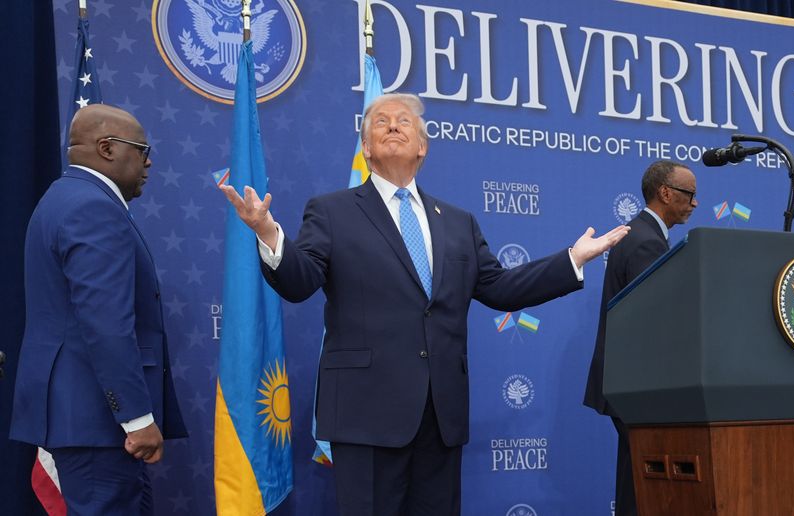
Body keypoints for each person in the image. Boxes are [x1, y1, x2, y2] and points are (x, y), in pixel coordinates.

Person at [221, 92, 629, 516]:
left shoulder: (457, 222)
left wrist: (573, 259)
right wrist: (269, 235)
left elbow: (502, 288)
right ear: (365, 147)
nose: (392, 125)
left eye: (403, 121)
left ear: (423, 146)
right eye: (380, 122)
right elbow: (299, 280)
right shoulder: (331, 211)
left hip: (440, 415)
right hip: (367, 414)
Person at [10, 104, 187, 515]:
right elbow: (106, 324)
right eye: (142, 150)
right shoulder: (92, 208)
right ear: (107, 148)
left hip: (84, 420)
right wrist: (137, 418)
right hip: (96, 422)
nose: (149, 161)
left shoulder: (63, 198)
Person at [583, 160, 698, 516]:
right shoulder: (647, 243)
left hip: (627, 384)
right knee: (643, 487)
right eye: (689, 195)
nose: (695, 203)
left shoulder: (638, 233)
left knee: (634, 483)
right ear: (665, 193)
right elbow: (654, 322)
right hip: (640, 386)